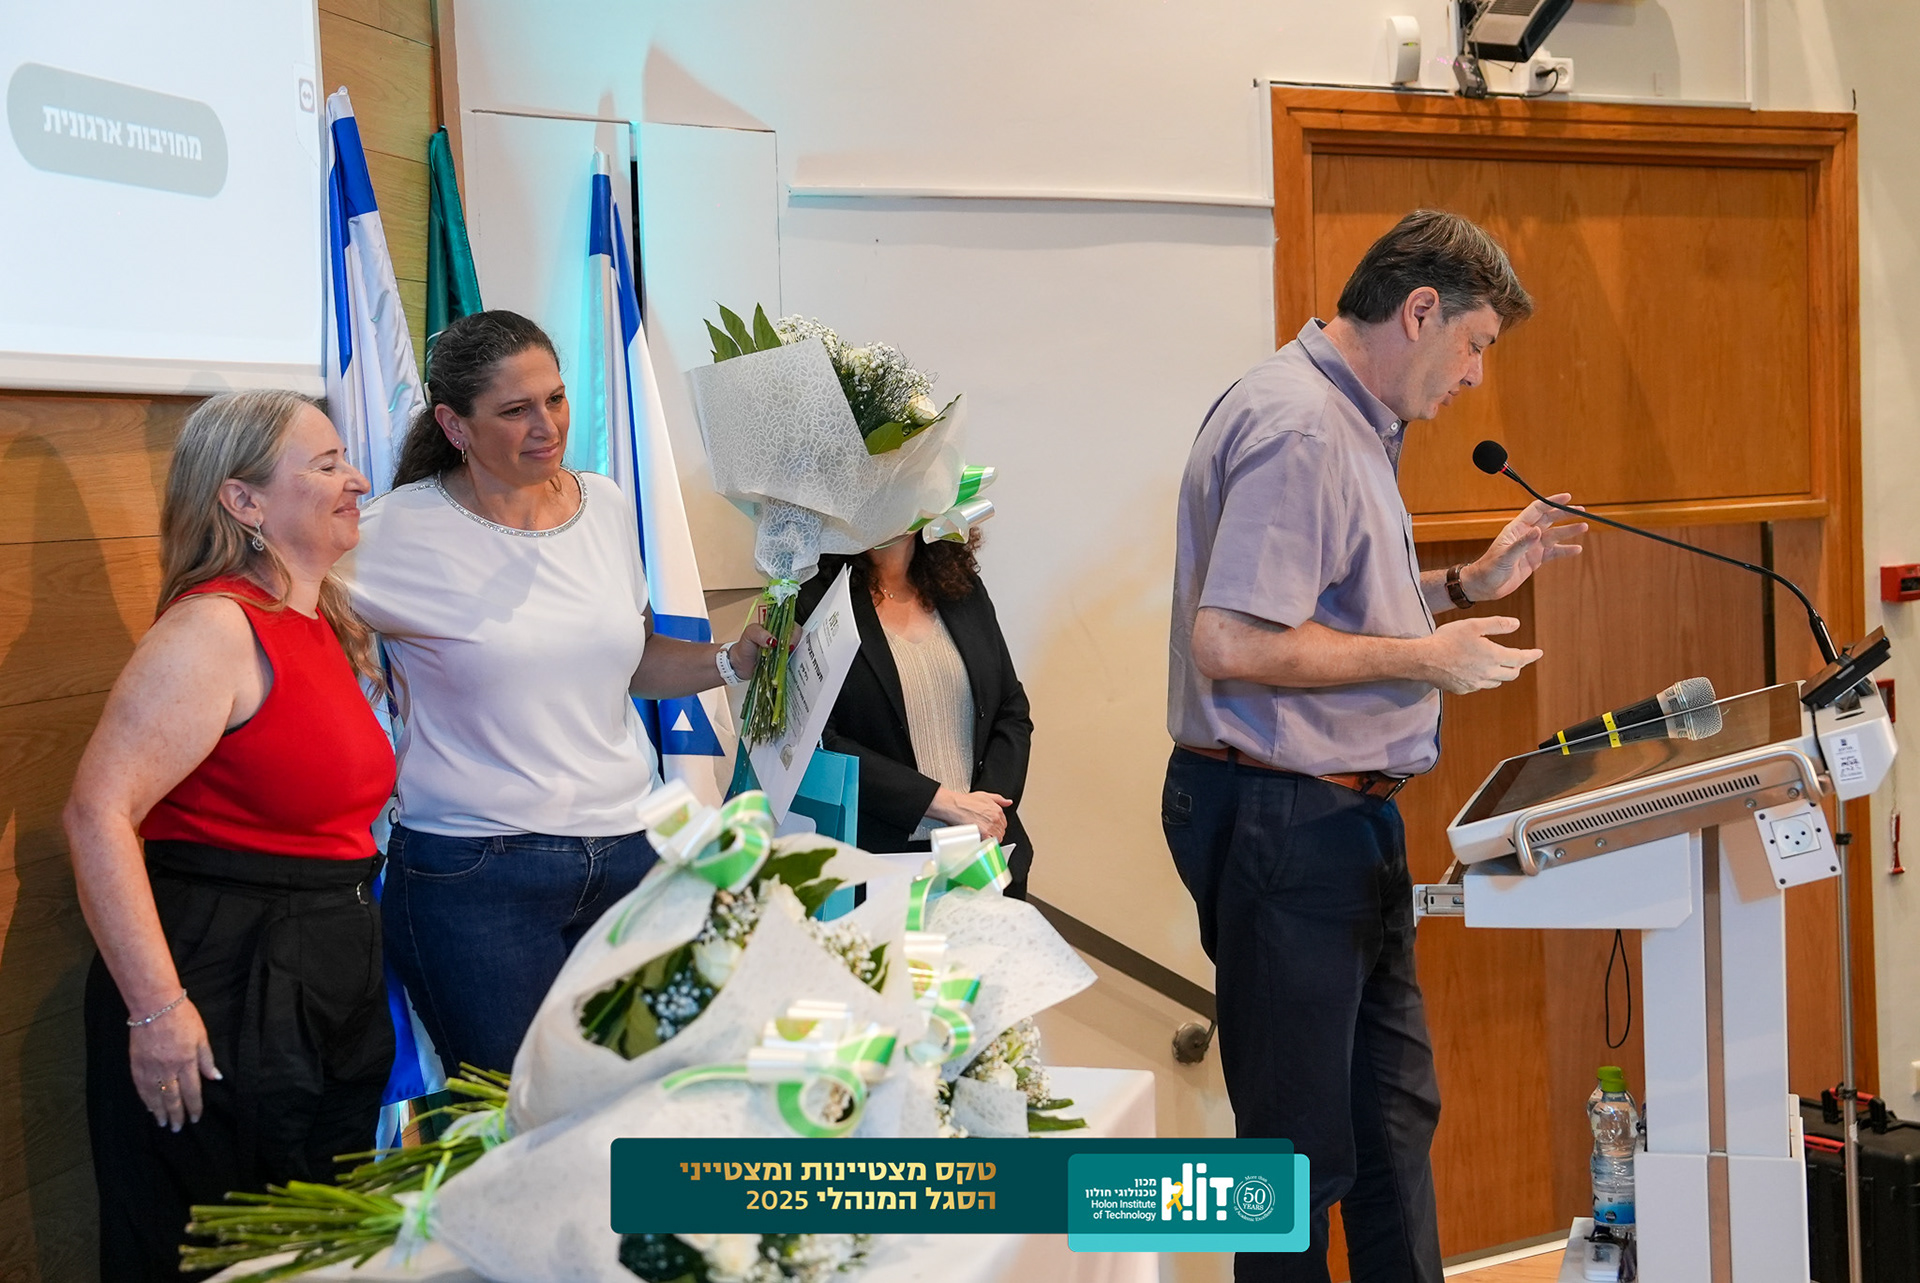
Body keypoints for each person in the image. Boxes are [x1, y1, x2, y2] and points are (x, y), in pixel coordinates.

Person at [1163, 210, 1586, 1283]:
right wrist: (1429, 659)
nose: (1476, 376)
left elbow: (1332, 605)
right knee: (1296, 1162)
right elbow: (1231, 640)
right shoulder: (1302, 426)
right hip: (1285, 817)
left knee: (1390, 1128)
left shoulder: (1350, 421)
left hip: (1341, 817)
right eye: (1476, 345)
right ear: (1420, 310)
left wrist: (1465, 588)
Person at [341, 309, 776, 1077]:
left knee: (637, 1095)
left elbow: (628, 660)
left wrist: (729, 659)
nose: (547, 426)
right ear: (454, 425)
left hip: (629, 853)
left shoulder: (604, 502)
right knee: (521, 1116)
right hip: (477, 877)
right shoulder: (391, 533)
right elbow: (279, 610)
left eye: (556, 398)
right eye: (516, 410)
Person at [65, 391, 396, 1280]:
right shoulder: (214, 627)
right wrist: (156, 1008)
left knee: (315, 1250)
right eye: (326, 464)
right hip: (225, 979)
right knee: (217, 1253)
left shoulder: (321, 618)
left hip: (324, 972)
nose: (357, 480)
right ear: (244, 501)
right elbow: (96, 814)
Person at [798, 530, 1035, 896]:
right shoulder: (815, 600)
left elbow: (1010, 707)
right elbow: (819, 741)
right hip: (882, 869)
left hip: (986, 855)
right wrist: (946, 805)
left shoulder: (961, 587)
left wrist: (987, 807)